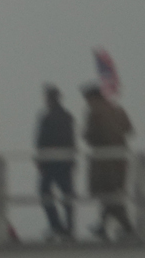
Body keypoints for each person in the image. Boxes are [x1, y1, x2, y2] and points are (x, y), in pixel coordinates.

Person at [81, 83, 134, 239]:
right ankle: (103, 225)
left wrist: (88, 136)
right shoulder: (117, 109)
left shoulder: (94, 111)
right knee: (113, 193)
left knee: (107, 194)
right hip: (120, 159)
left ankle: (126, 226)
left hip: (103, 160)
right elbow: (129, 129)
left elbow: (90, 136)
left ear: (92, 97)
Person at [33, 85, 77, 240]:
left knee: (45, 192)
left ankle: (56, 225)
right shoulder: (67, 116)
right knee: (67, 195)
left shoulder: (47, 117)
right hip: (65, 161)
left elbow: (42, 141)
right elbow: (71, 141)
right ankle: (69, 227)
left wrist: (40, 161)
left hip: (50, 162)